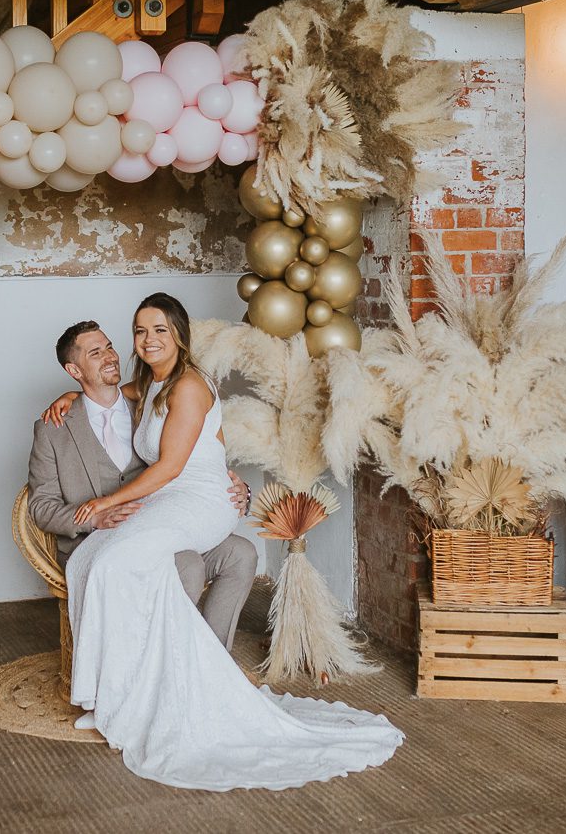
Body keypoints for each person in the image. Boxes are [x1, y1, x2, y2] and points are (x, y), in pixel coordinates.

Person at [42, 292, 403, 792]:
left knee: (114, 562)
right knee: (92, 563)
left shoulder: (189, 386)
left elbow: (169, 466)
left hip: (198, 500)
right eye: (141, 332)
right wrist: (71, 396)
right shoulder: (151, 382)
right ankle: (108, 697)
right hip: (168, 498)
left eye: (160, 331)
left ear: (180, 335)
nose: (148, 340)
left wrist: (104, 505)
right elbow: (119, 396)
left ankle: (136, 697)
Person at [28, 320, 258, 656]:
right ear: (73, 369)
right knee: (187, 565)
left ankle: (210, 663)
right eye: (96, 352)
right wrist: (94, 519)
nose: (110, 356)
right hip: (97, 542)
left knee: (241, 553)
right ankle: (159, 670)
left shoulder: (152, 407)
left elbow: (198, 459)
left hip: (165, 526)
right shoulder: (53, 428)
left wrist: (238, 490)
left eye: (109, 346)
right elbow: (41, 506)